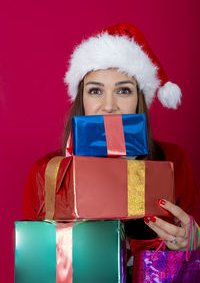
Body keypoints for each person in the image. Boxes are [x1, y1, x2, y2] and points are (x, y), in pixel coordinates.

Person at [22, 23, 200, 251]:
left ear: (139, 99)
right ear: (81, 100)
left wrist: (189, 240)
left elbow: (193, 238)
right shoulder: (45, 171)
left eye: (123, 90)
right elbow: (37, 259)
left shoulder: (174, 160)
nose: (109, 106)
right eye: (95, 91)